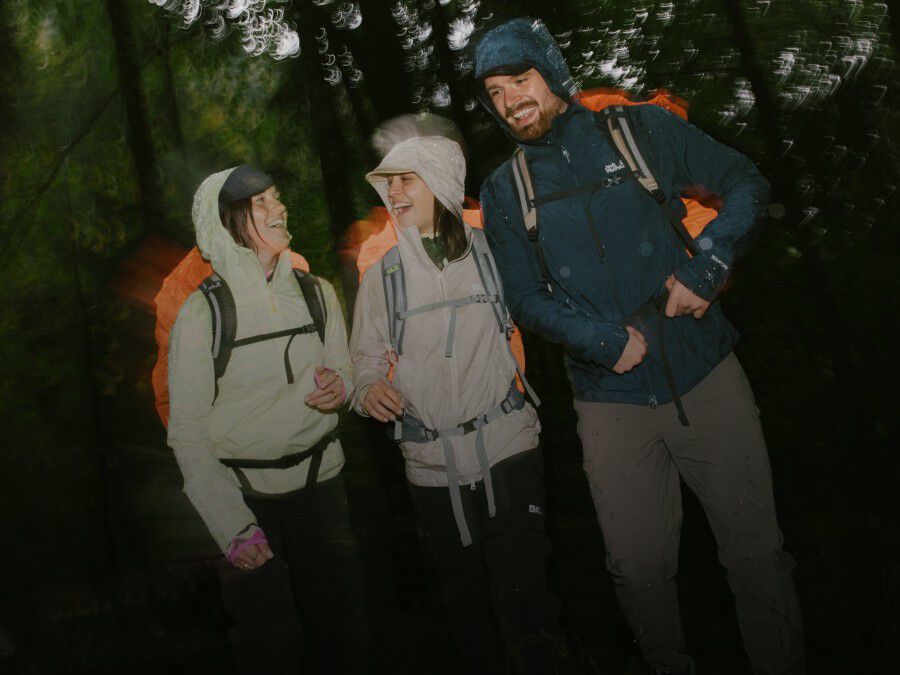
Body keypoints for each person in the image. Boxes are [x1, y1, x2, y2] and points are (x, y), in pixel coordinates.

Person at [473, 18, 805, 675]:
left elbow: (745, 181)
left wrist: (709, 265)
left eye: (520, 79)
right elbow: (524, 299)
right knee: (637, 569)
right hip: (609, 402)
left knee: (755, 553)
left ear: (552, 73)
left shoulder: (639, 130)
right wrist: (598, 340)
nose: (510, 100)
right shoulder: (504, 190)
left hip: (706, 372)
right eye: (495, 92)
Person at [349, 136, 562, 674]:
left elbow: (550, 298)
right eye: (388, 183)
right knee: (468, 618)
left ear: (440, 184)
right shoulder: (382, 278)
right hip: (431, 467)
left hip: (508, 444)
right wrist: (368, 388)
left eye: (406, 180)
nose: (394, 192)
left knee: (526, 605)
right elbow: (364, 362)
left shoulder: (495, 253)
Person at [167, 165, 367, 674]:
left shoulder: (317, 293)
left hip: (322, 486)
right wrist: (231, 526)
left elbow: (343, 368)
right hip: (244, 499)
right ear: (227, 220)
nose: (280, 208)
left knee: (341, 630)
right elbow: (188, 434)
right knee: (271, 641)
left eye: (277, 198)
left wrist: (340, 387)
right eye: (261, 202)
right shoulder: (202, 315)